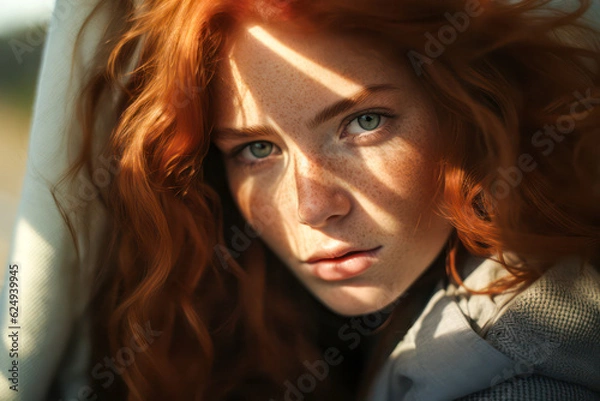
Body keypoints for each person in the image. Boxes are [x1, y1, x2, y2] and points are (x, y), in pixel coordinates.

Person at [1, 0, 599, 400]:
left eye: (365, 122)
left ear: (469, 110)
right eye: (256, 149)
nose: (312, 207)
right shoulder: (287, 316)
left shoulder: (528, 377)